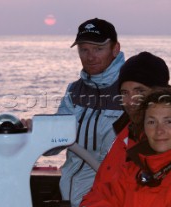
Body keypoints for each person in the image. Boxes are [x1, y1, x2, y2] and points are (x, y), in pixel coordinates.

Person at [80, 51, 171, 206]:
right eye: (124, 93)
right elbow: (103, 191)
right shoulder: (127, 131)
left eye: (140, 91)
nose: (130, 101)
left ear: (160, 93)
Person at [54, 18, 125, 207]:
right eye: (84, 49)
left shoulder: (131, 90)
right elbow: (52, 145)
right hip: (70, 196)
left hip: (112, 197)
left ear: (115, 49)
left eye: (98, 48)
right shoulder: (74, 91)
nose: (90, 56)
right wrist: (37, 131)